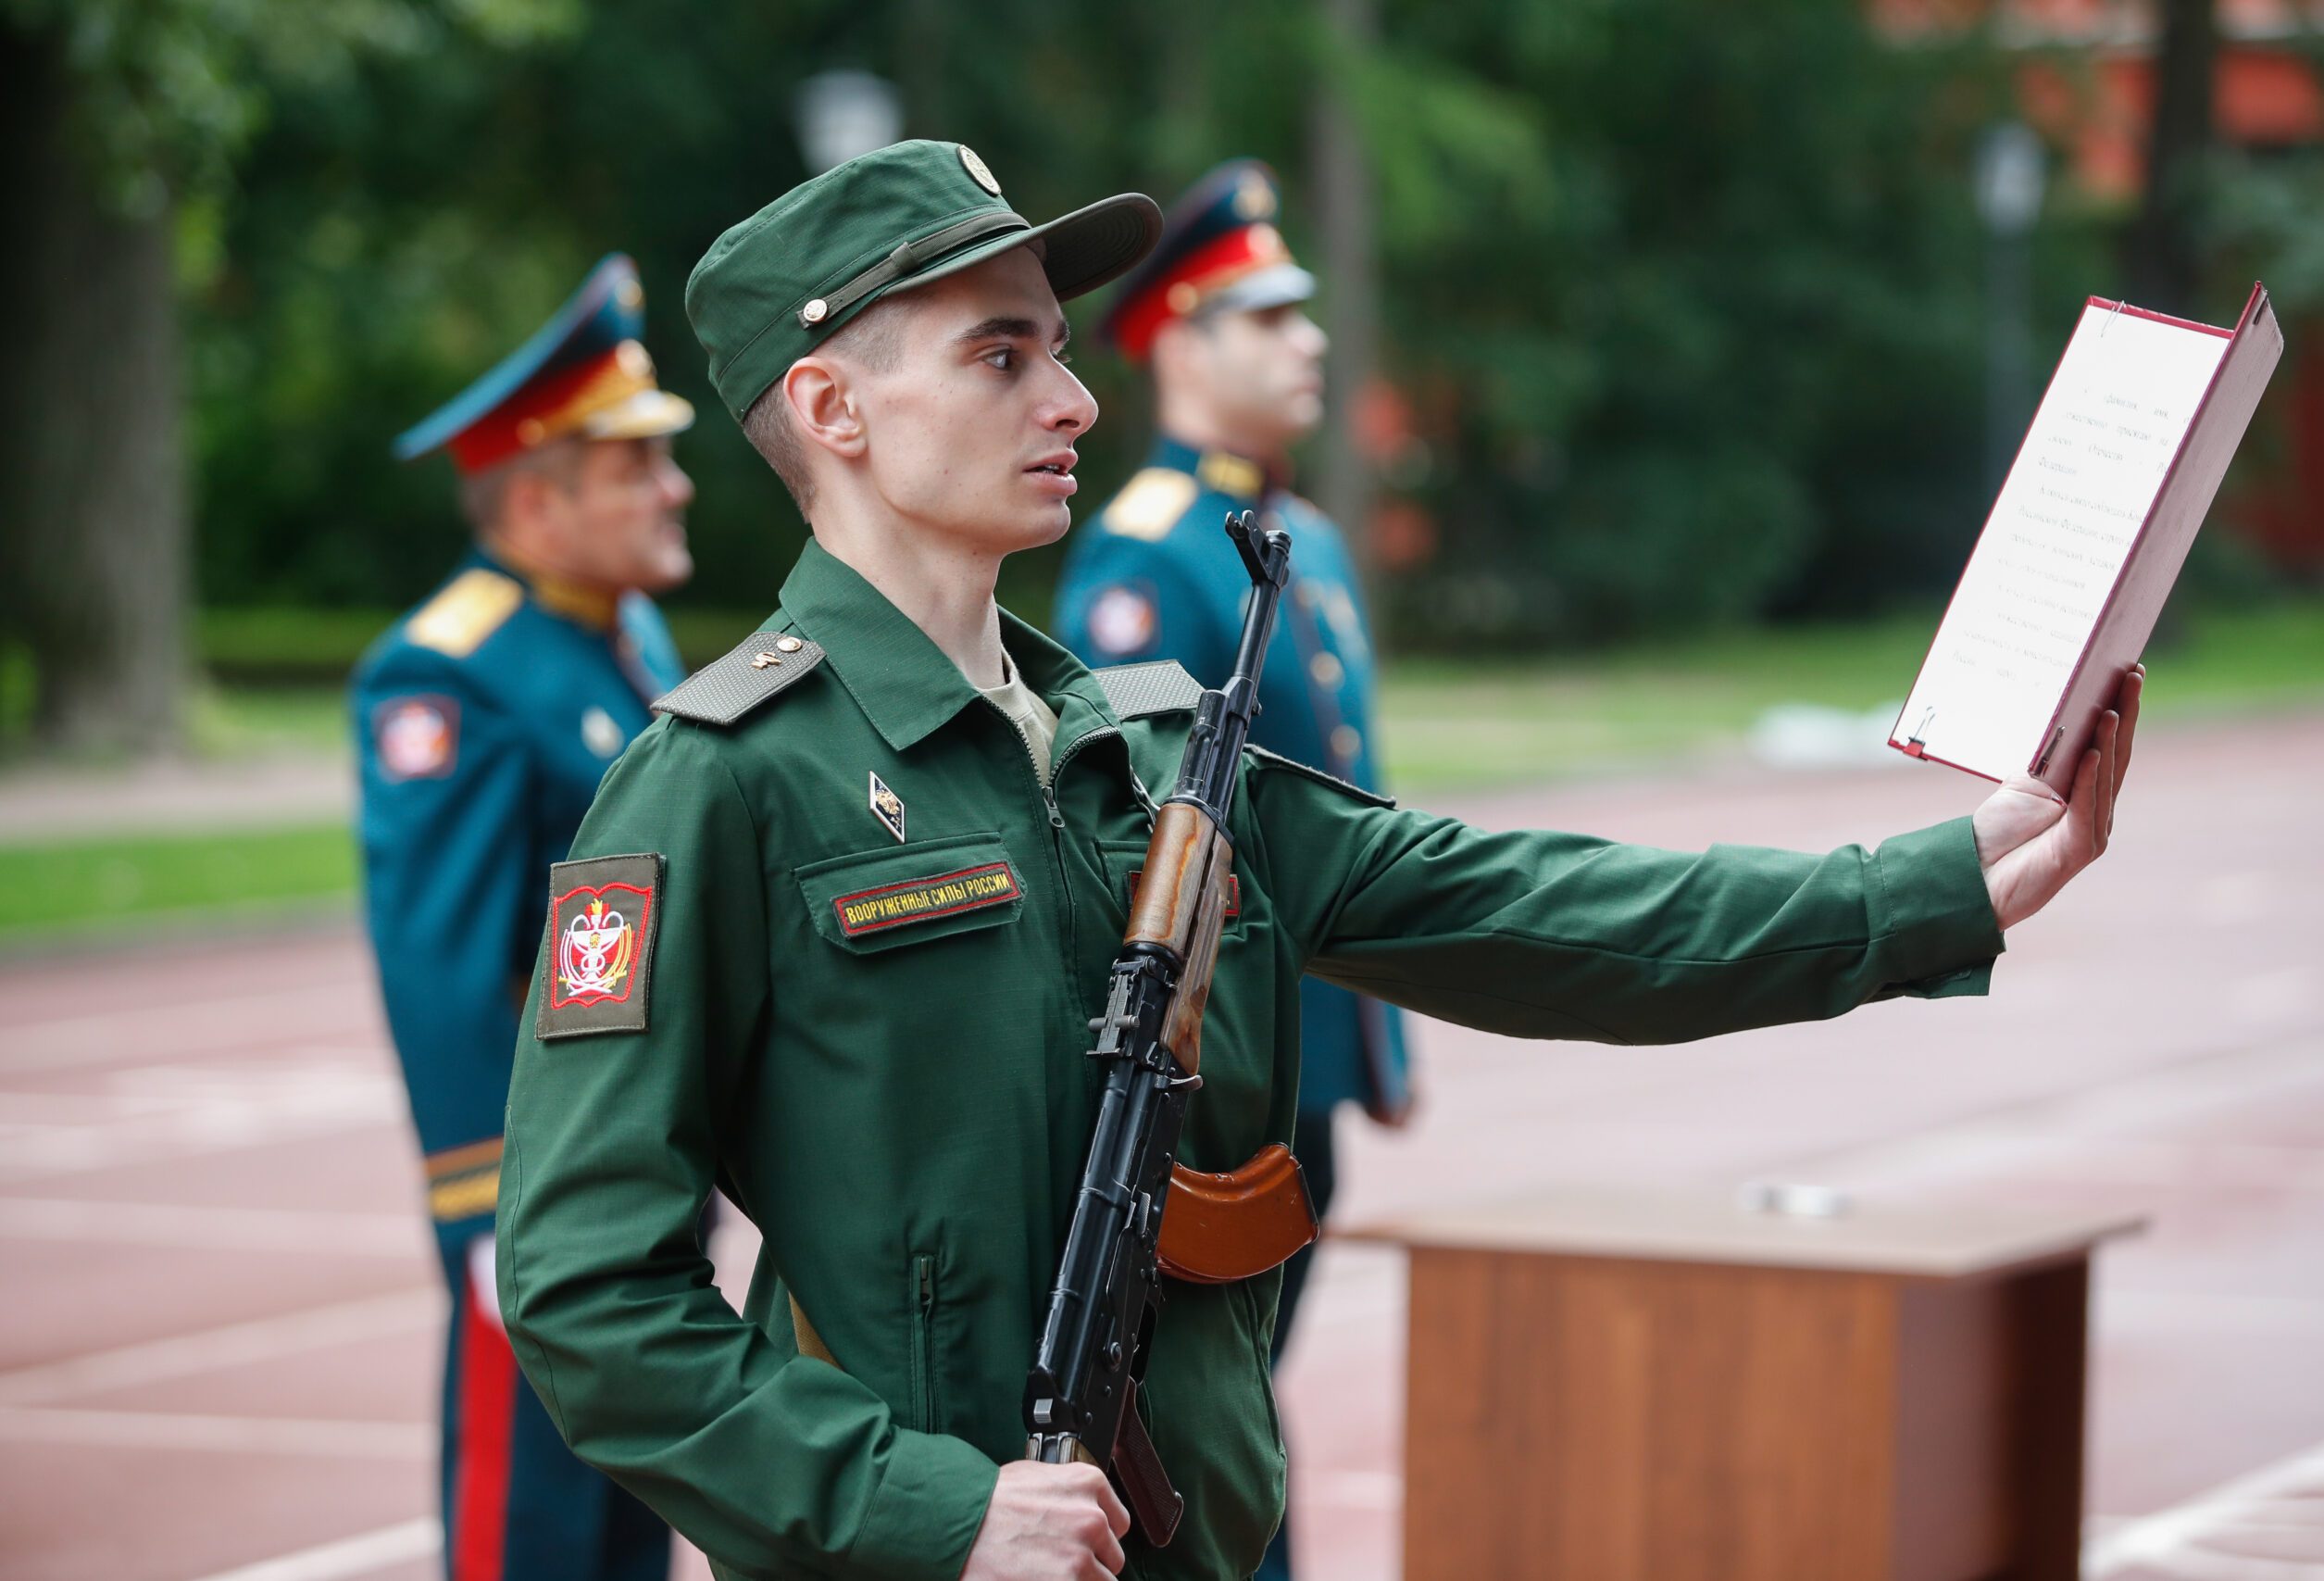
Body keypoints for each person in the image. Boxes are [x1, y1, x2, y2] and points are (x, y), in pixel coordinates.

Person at [494, 141, 2142, 1581]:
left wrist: (1936, 881)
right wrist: (932, 1514)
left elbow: (1524, 913)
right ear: (833, 409)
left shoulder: (1142, 757)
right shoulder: (716, 789)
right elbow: (584, 1290)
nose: (1073, 400)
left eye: (1061, 352)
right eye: (1000, 359)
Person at [1051, 157, 1406, 1581]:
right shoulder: (1147, 558)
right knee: (1203, 1417)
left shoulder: (1298, 535)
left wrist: (1371, 1038)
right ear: (1184, 346)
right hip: (1221, 1060)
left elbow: (1341, 818)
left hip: (1302, 1056)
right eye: (1267, 319)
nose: (1308, 341)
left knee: (1245, 1401)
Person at [351, 253, 695, 1581]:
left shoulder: (626, 637)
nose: (675, 488)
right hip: (543, 1188)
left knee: (634, 1508)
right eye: (637, 468)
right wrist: (487, 1205)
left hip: (644, 1163)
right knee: (532, 1524)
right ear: (539, 501)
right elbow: (441, 965)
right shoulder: (450, 669)